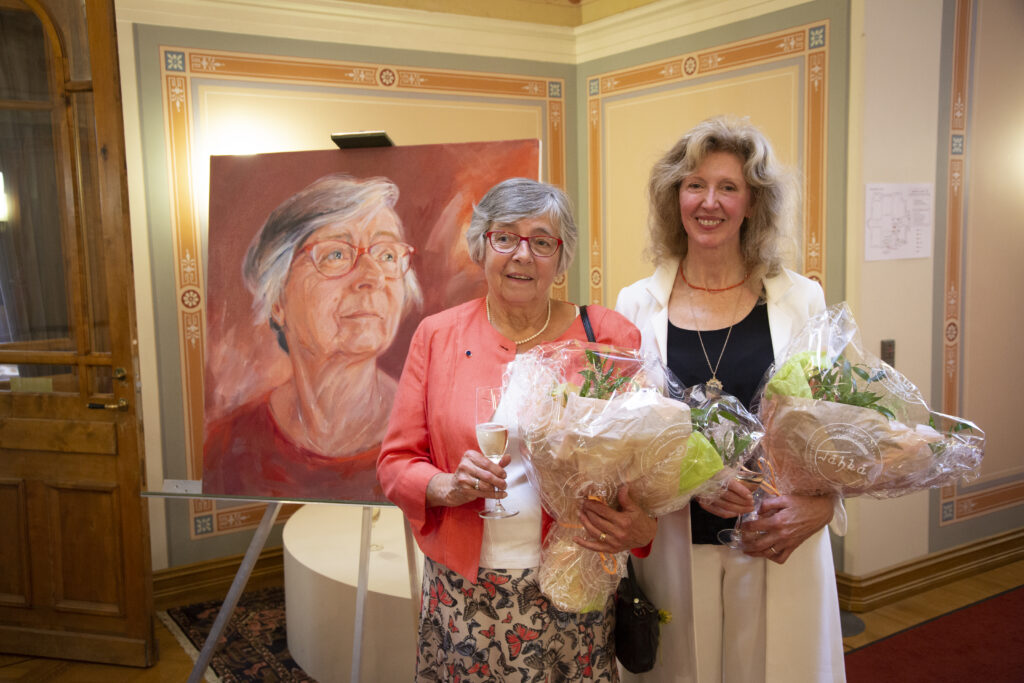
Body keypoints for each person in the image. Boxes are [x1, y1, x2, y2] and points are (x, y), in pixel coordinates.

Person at [378, 177, 653, 681]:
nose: (522, 255)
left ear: (561, 256)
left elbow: (647, 462)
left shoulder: (609, 336)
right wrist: (447, 486)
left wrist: (642, 528)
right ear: (482, 245)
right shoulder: (438, 336)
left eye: (542, 241)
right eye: (506, 237)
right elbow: (396, 463)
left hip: (577, 580)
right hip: (467, 595)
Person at [615, 116, 846, 682]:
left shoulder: (801, 299)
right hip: (674, 543)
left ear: (753, 203)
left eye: (728, 187)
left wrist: (823, 506)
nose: (709, 202)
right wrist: (692, 480)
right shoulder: (635, 305)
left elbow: (841, 428)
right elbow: (622, 435)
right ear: (675, 198)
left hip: (776, 538)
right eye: (695, 185)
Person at [203, 174, 422, 500]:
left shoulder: (429, 430)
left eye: (387, 255)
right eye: (336, 254)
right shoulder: (225, 447)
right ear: (278, 301)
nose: (372, 276)